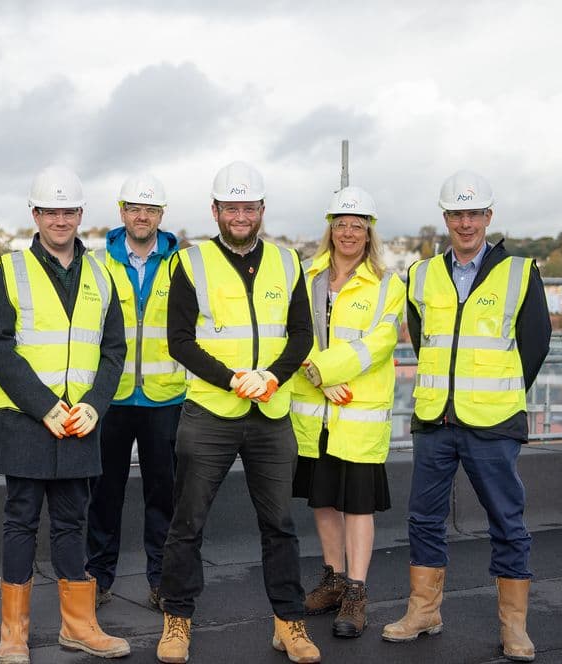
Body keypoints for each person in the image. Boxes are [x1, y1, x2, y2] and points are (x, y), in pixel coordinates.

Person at [382, 170, 551, 662]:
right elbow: (420, 336)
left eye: (473, 213)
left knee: (506, 520)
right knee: (423, 518)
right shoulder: (422, 273)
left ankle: (513, 627)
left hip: (492, 423)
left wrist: (497, 396)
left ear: (488, 217)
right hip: (435, 419)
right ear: (445, 218)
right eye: (456, 213)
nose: (465, 222)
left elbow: (535, 345)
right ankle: (424, 611)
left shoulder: (519, 271)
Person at [156, 161, 320, 664]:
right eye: (232, 207)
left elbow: (302, 336)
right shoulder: (190, 263)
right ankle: (177, 621)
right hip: (210, 413)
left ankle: (289, 623)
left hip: (270, 413)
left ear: (262, 210)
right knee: (188, 523)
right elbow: (179, 341)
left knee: (280, 526)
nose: (241, 215)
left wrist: (270, 376)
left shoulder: (289, 263)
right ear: (216, 210)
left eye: (250, 207)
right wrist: (231, 378)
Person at [0, 166, 130, 663]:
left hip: (80, 421)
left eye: (68, 211)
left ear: (80, 215)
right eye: (50, 211)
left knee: (72, 521)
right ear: (36, 215)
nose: (60, 220)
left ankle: (79, 626)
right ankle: (13, 634)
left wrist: (94, 405)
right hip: (27, 419)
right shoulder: (10, 270)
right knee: (20, 521)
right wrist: (45, 406)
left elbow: (113, 351)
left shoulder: (102, 275)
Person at [290, 186, 405, 639]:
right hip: (314, 414)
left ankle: (356, 592)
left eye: (357, 224)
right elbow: (293, 334)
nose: (348, 232)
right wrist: (318, 376)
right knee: (322, 500)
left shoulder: (387, 286)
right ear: (330, 228)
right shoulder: (306, 276)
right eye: (341, 223)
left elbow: (377, 345)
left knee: (357, 506)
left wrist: (323, 370)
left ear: (369, 231)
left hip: (356, 414)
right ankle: (334, 580)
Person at [85, 173, 184, 611]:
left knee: (163, 496)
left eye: (151, 209)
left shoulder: (183, 265)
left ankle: (161, 579)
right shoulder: (96, 263)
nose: (142, 216)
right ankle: (98, 578)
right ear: (121, 211)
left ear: (161, 215)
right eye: (134, 208)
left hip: (167, 398)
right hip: (111, 396)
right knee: (104, 494)